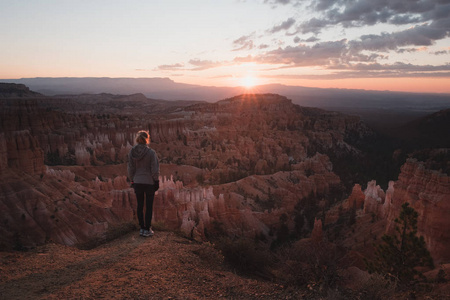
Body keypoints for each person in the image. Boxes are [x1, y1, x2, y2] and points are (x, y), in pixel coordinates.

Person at [128, 130, 160, 237]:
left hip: (137, 181)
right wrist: (156, 181)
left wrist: (132, 179)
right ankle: (147, 229)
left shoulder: (132, 152)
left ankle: (141, 228)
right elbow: (154, 169)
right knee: (149, 206)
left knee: (140, 205)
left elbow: (130, 168)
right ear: (147, 139)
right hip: (149, 182)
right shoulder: (151, 153)